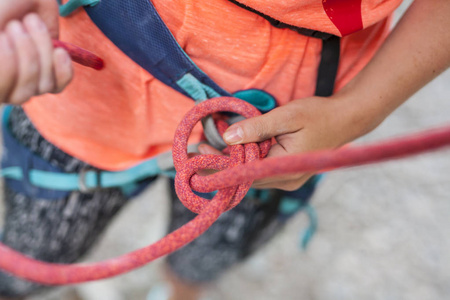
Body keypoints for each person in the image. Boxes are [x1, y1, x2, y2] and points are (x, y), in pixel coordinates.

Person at [0, 0, 449, 299]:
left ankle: (179, 290)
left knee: (202, 261)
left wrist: (359, 110)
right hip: (91, 75)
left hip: (282, 120)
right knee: (32, 257)